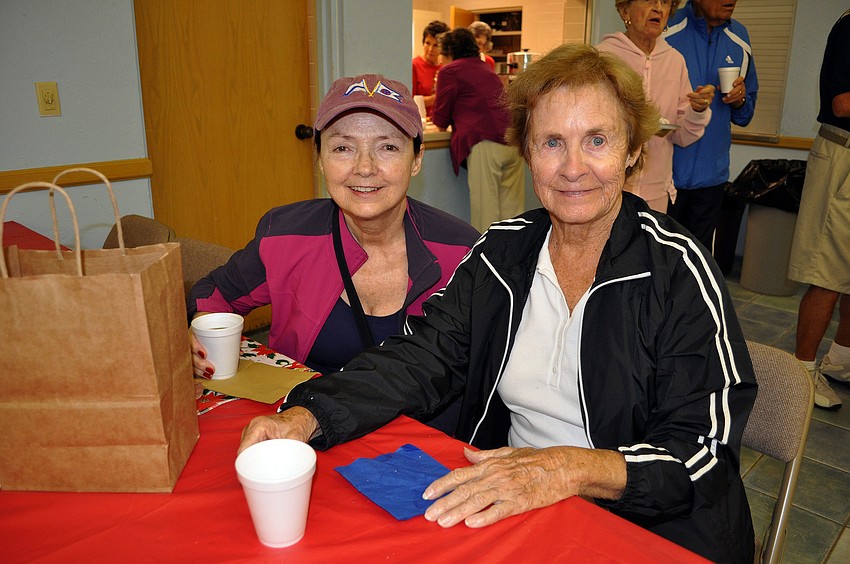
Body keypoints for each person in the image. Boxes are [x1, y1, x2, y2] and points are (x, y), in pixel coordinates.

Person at [238, 44, 757, 563]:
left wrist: (564, 469)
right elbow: (420, 357)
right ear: (528, 153)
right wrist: (305, 415)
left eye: (596, 140)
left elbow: (702, 456)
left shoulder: (678, 269)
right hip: (517, 504)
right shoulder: (503, 251)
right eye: (552, 142)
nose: (573, 168)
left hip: (646, 526)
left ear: (631, 152)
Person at [188, 73, 479, 384]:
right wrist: (203, 328)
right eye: (343, 148)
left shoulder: (463, 252)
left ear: (416, 159)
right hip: (303, 420)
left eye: (388, 148)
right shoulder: (285, 235)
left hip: (419, 429)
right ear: (321, 160)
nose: (365, 168)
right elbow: (215, 293)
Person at [787, 8, 850, 410]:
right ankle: (803, 374)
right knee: (826, 271)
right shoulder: (849, 28)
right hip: (842, 154)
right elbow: (842, 103)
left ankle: (840, 362)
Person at [597, 0, 713, 213]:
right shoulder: (603, 57)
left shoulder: (675, 61)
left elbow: (682, 136)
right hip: (610, 188)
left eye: (666, 2)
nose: (658, 8)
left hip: (657, 194)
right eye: (650, 0)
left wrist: (697, 110)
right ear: (625, 10)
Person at [664, 0, 758, 250]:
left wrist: (739, 100)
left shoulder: (740, 38)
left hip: (711, 180)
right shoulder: (666, 29)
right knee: (656, 264)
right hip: (663, 178)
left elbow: (745, 114)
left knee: (697, 266)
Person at [431, 27, 525, 232]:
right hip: (512, 142)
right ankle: (516, 261)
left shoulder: (450, 71)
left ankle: (486, 262)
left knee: (486, 214)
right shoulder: (484, 67)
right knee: (513, 214)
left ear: (449, 51)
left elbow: (440, 118)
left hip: (485, 143)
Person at [412, 20, 450, 118]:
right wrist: (436, 98)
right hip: (420, 121)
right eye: (427, 43)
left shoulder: (447, 67)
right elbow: (409, 102)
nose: (430, 49)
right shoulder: (414, 65)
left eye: (435, 45)